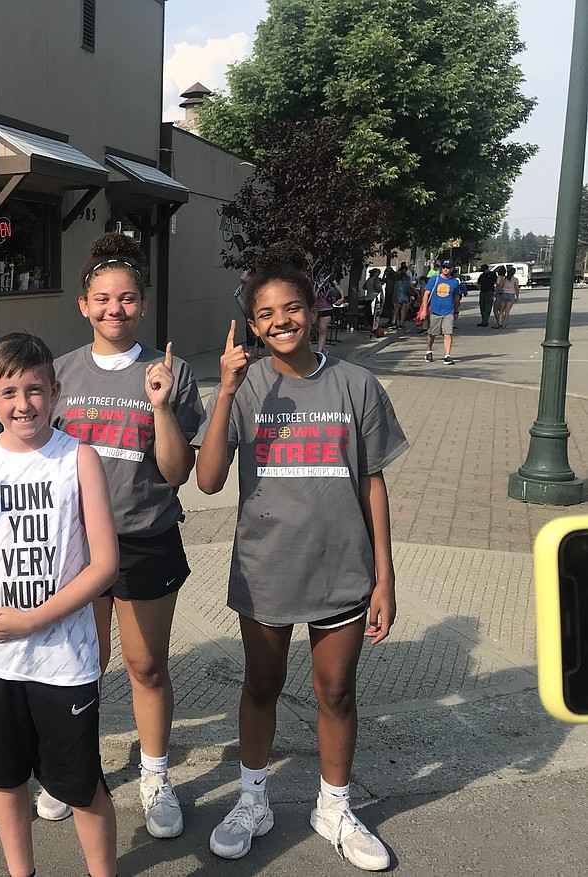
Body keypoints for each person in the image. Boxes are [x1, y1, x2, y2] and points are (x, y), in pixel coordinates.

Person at [194, 260, 408, 872]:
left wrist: (384, 576)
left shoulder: (357, 385)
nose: (280, 321)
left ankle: (334, 808)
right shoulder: (247, 387)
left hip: (343, 567)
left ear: (313, 310)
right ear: (254, 325)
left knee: (336, 691)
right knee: (261, 684)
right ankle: (253, 800)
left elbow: (373, 484)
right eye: (266, 314)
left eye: (291, 308)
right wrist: (226, 390)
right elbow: (208, 481)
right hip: (266, 569)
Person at [0, 332, 120, 877]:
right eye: (9, 391)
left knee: (80, 786)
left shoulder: (78, 458)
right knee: (6, 782)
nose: (23, 404)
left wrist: (32, 619)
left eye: (34, 390)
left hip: (62, 661)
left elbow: (104, 564)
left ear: (55, 391)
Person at [52, 233, 204, 838]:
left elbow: (175, 472)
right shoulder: (60, 372)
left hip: (145, 539)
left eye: (127, 298)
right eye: (102, 299)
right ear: (84, 306)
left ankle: (155, 775)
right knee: (81, 666)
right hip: (75, 542)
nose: (115, 309)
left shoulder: (170, 372)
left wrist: (162, 408)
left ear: (142, 304)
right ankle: (76, 771)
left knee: (146, 667)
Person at [422, 260, 460, 364]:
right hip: (435, 311)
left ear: (452, 269)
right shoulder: (435, 279)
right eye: (444, 267)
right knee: (432, 334)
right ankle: (429, 351)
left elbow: (456, 297)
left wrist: (456, 311)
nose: (445, 269)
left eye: (447, 267)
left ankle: (447, 355)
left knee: (448, 333)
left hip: (449, 312)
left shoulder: (454, 282)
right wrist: (424, 310)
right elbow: (426, 294)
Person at [314, 275, 343, 353]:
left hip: (326, 308)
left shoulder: (329, 279)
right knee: (314, 329)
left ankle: (319, 352)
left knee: (322, 330)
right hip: (315, 308)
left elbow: (338, 287)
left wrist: (341, 298)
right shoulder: (313, 279)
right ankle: (321, 348)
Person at [494, 264, 521, 328]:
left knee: (501, 310)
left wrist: (498, 292)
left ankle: (499, 323)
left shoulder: (504, 278)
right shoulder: (515, 279)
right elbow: (517, 288)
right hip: (511, 295)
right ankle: (504, 325)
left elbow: (500, 286)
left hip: (503, 294)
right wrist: (517, 297)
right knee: (507, 311)